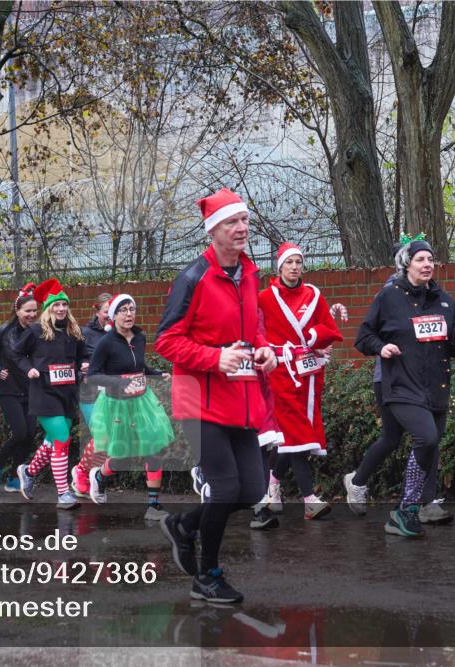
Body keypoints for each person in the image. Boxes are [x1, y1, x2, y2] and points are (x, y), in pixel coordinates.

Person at [155, 188, 277, 603]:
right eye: (232, 222)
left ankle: (185, 526)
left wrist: (264, 348)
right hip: (200, 401)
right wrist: (214, 357)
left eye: (244, 220)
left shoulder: (249, 273)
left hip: (241, 398)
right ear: (213, 232)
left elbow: (254, 324)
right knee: (224, 490)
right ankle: (207, 575)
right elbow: (166, 342)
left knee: (252, 491)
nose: (242, 228)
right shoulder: (193, 278)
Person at [352, 238, 455, 538]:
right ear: (407, 264)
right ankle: (405, 509)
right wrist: (382, 347)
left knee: (430, 446)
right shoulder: (389, 297)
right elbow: (363, 337)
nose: (427, 264)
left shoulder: (444, 300)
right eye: (420, 259)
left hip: (436, 388)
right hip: (401, 385)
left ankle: (416, 507)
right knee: (426, 438)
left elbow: (453, 340)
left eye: (431, 260)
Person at [254, 243, 342, 526]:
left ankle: (272, 484)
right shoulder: (265, 298)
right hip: (278, 372)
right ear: (279, 267)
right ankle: (309, 500)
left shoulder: (314, 295)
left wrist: (315, 337)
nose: (294, 267)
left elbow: (329, 328)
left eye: (298, 262)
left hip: (309, 375)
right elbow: (255, 332)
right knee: (295, 436)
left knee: (292, 437)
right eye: (289, 262)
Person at [84, 294, 173, 520]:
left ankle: (153, 506)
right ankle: (100, 478)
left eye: (131, 309)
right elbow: (93, 376)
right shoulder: (106, 343)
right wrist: (120, 382)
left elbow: (139, 366)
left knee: (153, 450)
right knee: (123, 457)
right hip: (117, 404)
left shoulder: (140, 338)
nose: (128, 314)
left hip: (142, 401)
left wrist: (155, 373)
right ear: (113, 316)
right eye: (123, 310)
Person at [14, 278, 90, 509]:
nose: (61, 309)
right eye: (56, 305)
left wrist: (84, 366)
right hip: (44, 394)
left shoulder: (73, 332)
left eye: (64, 305)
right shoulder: (35, 331)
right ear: (48, 308)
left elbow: (83, 356)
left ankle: (28, 471)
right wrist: (30, 370)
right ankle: (64, 493)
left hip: (67, 393)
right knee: (62, 439)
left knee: (52, 441)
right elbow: (17, 355)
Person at [0, 284, 39, 492]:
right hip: (7, 387)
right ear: (17, 311)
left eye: (35, 310)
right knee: (19, 432)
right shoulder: (3, 332)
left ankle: (13, 477)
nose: (32, 315)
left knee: (29, 433)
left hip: (30, 388)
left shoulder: (38, 332)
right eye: (28, 311)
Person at [72, 293, 113, 497]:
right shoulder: (84, 333)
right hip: (90, 393)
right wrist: (83, 371)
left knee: (109, 440)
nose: (110, 316)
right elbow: (73, 361)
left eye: (113, 312)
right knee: (101, 436)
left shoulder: (121, 333)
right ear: (97, 311)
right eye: (107, 312)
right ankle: (81, 471)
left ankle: (88, 473)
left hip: (114, 394)